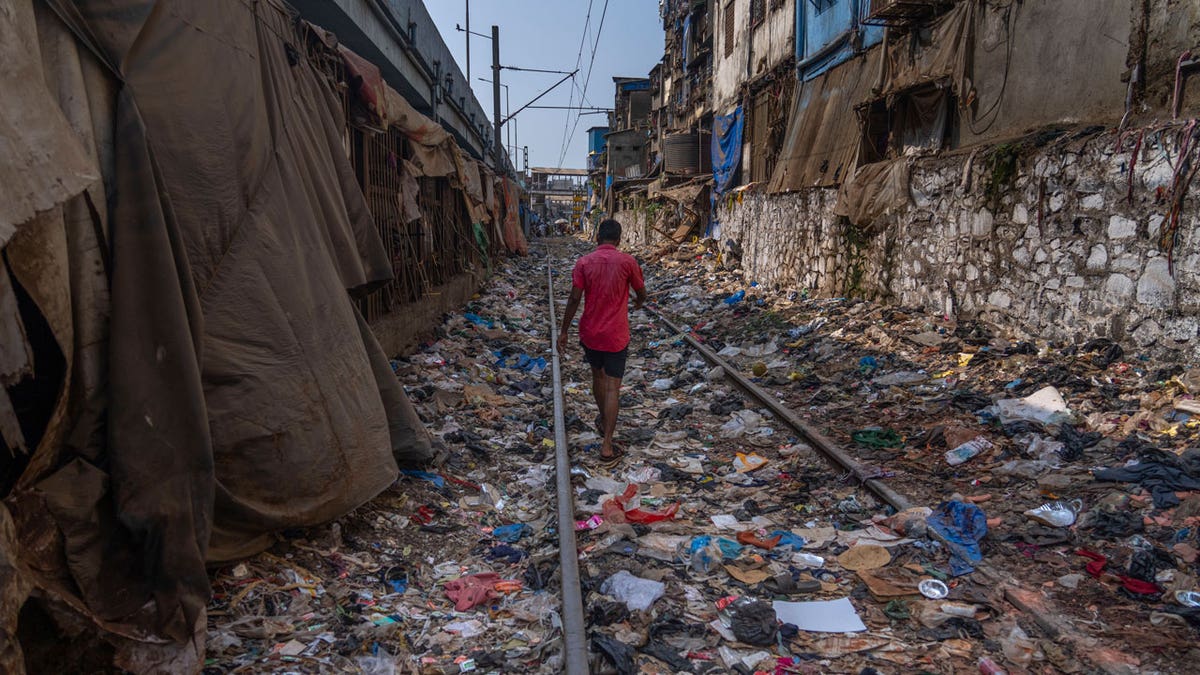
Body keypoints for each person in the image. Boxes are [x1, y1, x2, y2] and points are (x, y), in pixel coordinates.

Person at [558, 219, 647, 467]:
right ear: (618, 239)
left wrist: (564, 330)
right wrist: (638, 302)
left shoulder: (584, 263)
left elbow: (575, 297)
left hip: (591, 334)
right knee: (612, 388)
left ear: (598, 237)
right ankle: (607, 444)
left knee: (597, 377)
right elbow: (641, 292)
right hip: (616, 335)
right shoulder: (628, 262)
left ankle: (602, 417)